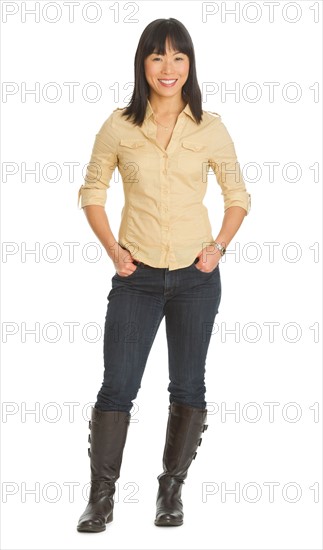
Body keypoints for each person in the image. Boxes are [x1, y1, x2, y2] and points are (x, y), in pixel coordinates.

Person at [76, 17, 251, 533]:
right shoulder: (119, 126)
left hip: (197, 278)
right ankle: (100, 499)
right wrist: (113, 250)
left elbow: (238, 196)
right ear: (143, 64)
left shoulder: (210, 126)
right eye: (158, 57)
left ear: (190, 64)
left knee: (189, 384)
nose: (168, 68)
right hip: (138, 277)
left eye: (178, 57)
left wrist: (219, 246)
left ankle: (170, 491)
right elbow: (91, 191)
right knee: (118, 387)